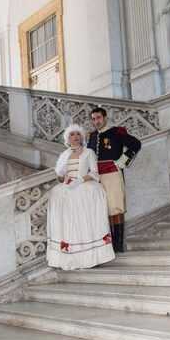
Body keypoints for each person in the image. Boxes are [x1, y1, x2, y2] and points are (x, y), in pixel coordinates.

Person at [46, 124, 115, 270]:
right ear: (67, 138)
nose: (75, 137)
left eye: (78, 134)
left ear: (82, 137)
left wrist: (80, 180)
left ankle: (91, 256)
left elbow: (94, 173)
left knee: (84, 221)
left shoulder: (88, 152)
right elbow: (60, 175)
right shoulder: (64, 155)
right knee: (68, 223)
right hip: (67, 189)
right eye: (72, 134)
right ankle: (70, 257)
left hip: (84, 186)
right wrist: (64, 179)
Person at [87, 107, 141, 253]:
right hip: (97, 177)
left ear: (105, 118)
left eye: (98, 118)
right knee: (103, 209)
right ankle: (109, 245)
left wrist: (122, 161)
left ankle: (118, 246)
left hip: (112, 175)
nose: (96, 121)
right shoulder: (92, 136)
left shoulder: (117, 132)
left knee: (116, 209)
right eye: (93, 119)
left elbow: (136, 144)